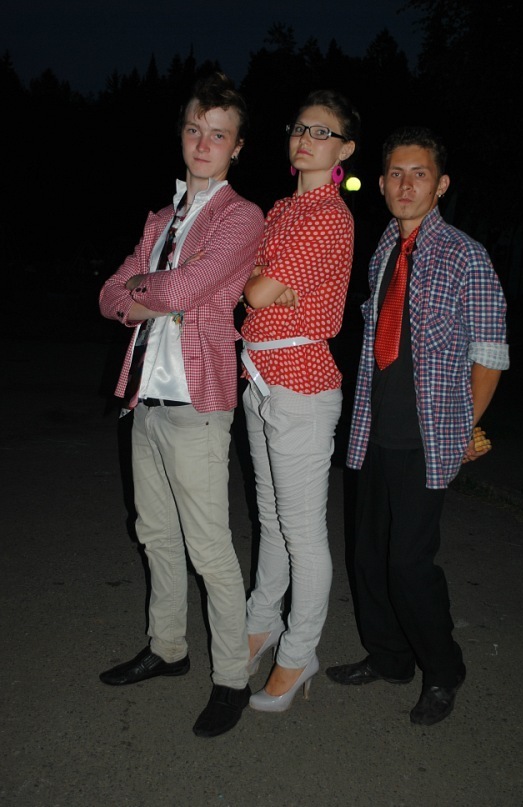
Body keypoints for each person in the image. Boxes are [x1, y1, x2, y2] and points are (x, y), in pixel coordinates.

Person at [98, 72, 264, 738]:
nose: (203, 142)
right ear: (183, 134)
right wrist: (148, 291)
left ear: (237, 147)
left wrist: (146, 291)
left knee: (209, 549)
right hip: (146, 398)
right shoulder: (161, 220)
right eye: (195, 129)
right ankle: (167, 648)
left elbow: (187, 289)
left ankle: (232, 679)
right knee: (154, 533)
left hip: (198, 402)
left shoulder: (241, 217)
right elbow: (109, 296)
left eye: (218, 134)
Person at [326, 126, 509, 726]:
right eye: (396, 174)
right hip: (373, 432)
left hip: (427, 440)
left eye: (420, 174)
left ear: (441, 184)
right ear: (381, 183)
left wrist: (464, 429)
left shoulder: (466, 256)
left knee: (408, 563)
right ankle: (389, 657)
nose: (406, 185)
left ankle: (443, 669)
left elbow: (489, 354)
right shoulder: (384, 248)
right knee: (367, 557)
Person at [240, 89, 360, 712]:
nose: (306, 138)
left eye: (322, 131)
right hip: (261, 378)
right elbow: (244, 279)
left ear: (344, 150)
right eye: (299, 128)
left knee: (303, 532)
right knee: (270, 517)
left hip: (302, 385)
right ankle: (261, 624)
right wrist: (261, 283)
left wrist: (265, 285)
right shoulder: (282, 208)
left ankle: (299, 651)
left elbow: (255, 293)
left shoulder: (329, 216)